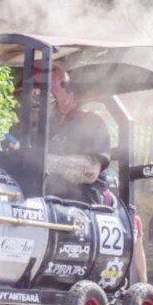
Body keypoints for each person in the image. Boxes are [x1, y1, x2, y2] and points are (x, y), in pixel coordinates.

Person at [40, 66, 113, 204]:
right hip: (44, 198)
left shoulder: (92, 122)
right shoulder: (47, 125)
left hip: (82, 204)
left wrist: (44, 161)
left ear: (70, 94)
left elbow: (90, 171)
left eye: (52, 94)